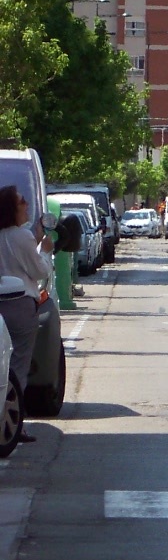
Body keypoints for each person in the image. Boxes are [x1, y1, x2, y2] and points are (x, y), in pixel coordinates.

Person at [0, 186, 52, 440]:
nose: (27, 205)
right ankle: (14, 423)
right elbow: (40, 271)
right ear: (12, 208)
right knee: (18, 363)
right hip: (20, 304)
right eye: (22, 201)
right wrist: (45, 248)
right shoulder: (21, 237)